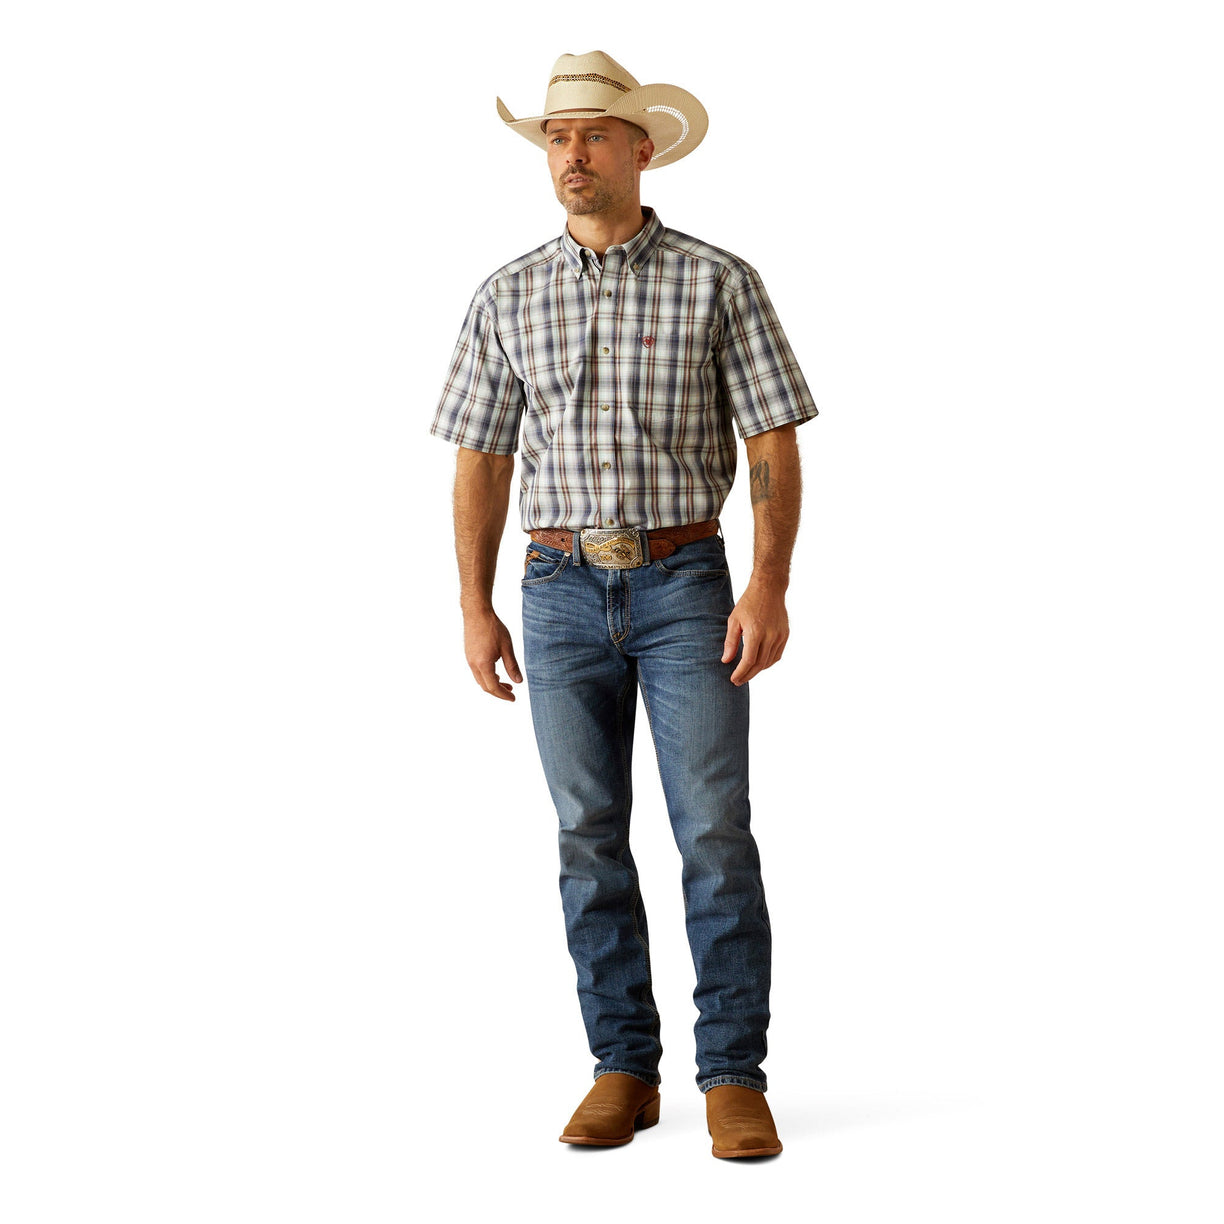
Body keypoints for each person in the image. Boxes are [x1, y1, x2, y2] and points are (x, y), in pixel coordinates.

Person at [430, 51, 818, 1158]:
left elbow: (773, 440)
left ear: (643, 148)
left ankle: (732, 1074)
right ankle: (622, 1066)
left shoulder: (717, 279)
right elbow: (480, 458)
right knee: (588, 835)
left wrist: (769, 581)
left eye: (595, 135)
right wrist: (474, 603)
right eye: (557, 138)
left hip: (685, 582)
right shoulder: (506, 292)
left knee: (712, 831)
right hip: (553, 590)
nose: (573, 155)